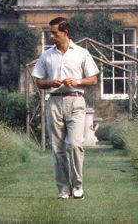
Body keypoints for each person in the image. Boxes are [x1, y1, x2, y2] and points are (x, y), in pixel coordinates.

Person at [32, 16, 100, 199]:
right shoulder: (47, 55)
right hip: (54, 102)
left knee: (75, 144)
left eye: (54, 33)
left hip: (76, 101)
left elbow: (93, 79)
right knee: (58, 149)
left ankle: (77, 186)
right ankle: (63, 189)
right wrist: (49, 82)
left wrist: (77, 81)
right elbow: (38, 81)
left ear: (65, 32)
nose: (51, 36)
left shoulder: (81, 53)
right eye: (50, 33)